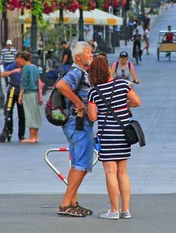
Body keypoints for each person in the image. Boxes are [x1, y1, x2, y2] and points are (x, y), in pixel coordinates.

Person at [87, 56, 141, 220]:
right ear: (108, 69)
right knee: (123, 172)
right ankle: (125, 209)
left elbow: (92, 117)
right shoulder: (123, 84)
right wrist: (125, 105)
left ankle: (114, 210)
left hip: (107, 136)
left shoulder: (94, 92)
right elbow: (137, 102)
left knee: (111, 172)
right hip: (124, 134)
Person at [56, 42, 94, 217]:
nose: (91, 55)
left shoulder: (81, 73)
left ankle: (72, 202)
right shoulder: (76, 72)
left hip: (77, 123)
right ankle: (65, 203)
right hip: (78, 123)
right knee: (81, 164)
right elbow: (61, 86)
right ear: (78, 57)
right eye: (88, 52)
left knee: (77, 163)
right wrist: (79, 103)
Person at [0, 52, 26, 141]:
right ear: (18, 59)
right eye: (22, 59)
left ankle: (21, 135)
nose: (23, 61)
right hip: (12, 90)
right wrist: (13, 71)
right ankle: (9, 131)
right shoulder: (12, 66)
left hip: (22, 92)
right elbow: (2, 74)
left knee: (22, 114)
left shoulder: (26, 67)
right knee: (8, 112)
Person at [18, 51, 42, 143]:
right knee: (35, 114)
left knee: (29, 114)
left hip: (28, 93)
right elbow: (38, 81)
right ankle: (36, 136)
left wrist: (20, 95)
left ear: (23, 59)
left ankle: (31, 137)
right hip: (35, 93)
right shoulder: (34, 67)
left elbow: (23, 82)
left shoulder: (25, 68)